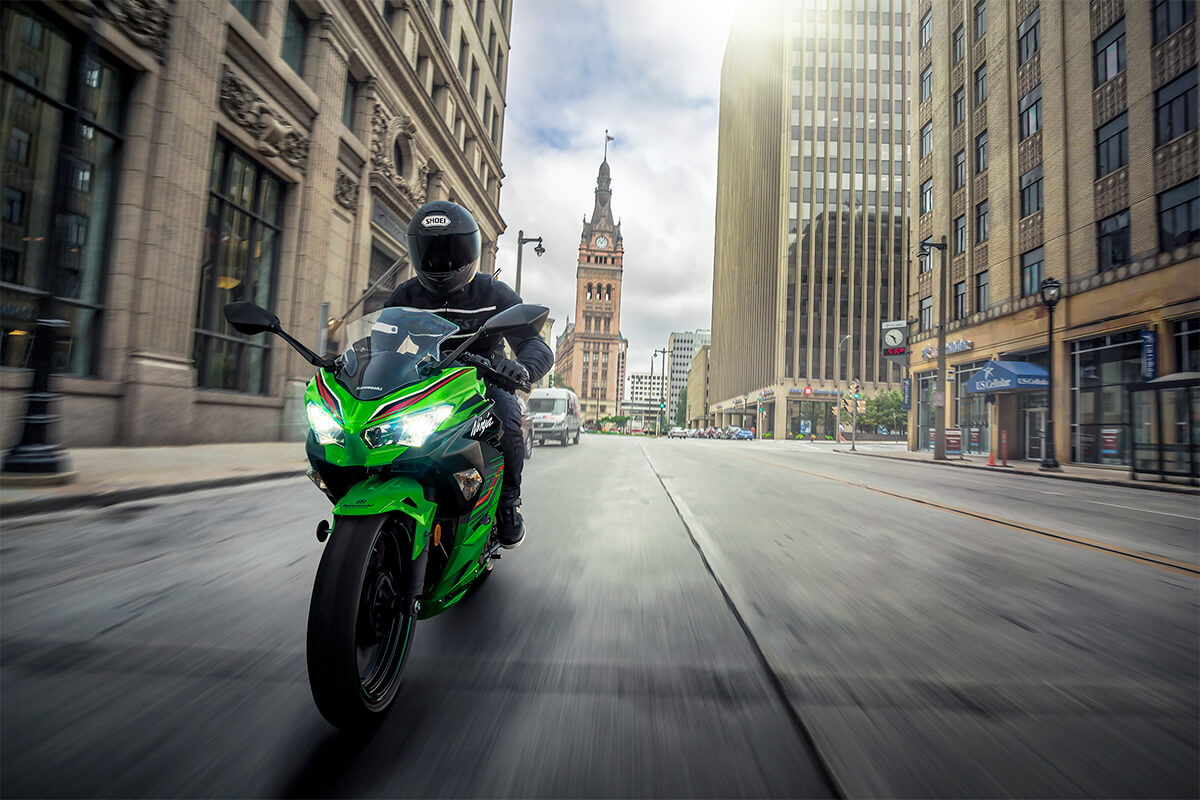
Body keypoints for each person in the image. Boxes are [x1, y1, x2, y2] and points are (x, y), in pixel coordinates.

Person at [386, 201, 552, 549]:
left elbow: (537, 347)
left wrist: (519, 369)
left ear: (471, 251)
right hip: (421, 385)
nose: (442, 261)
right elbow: (382, 346)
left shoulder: (494, 293)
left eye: (451, 251)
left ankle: (508, 503)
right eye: (432, 252)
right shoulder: (404, 296)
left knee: (508, 420)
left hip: (485, 381)